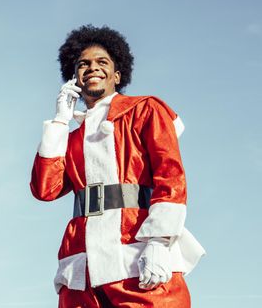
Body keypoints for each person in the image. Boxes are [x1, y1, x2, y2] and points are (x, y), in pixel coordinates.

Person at [30, 25, 205, 307]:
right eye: (83, 64)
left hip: (137, 254)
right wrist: (61, 120)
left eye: (102, 62)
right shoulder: (71, 138)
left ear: (117, 75)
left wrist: (159, 242)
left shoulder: (146, 109)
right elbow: (44, 189)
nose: (92, 68)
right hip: (81, 268)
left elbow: (170, 177)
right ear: (74, 77)